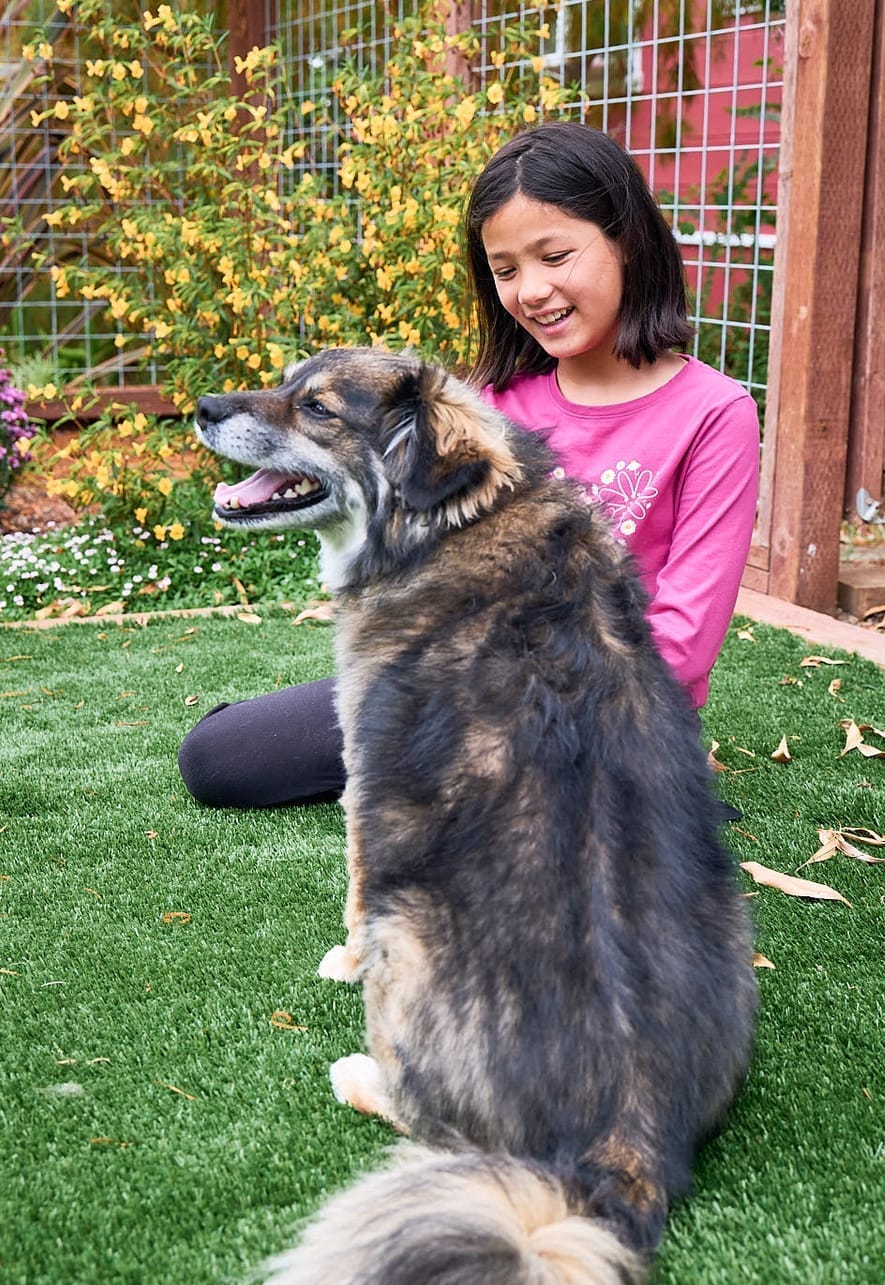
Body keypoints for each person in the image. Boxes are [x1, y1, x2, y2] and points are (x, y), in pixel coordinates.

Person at [178, 121, 760, 808]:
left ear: (627, 242)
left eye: (555, 255)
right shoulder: (489, 402)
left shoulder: (714, 412)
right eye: (506, 269)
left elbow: (681, 644)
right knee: (219, 756)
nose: (532, 290)